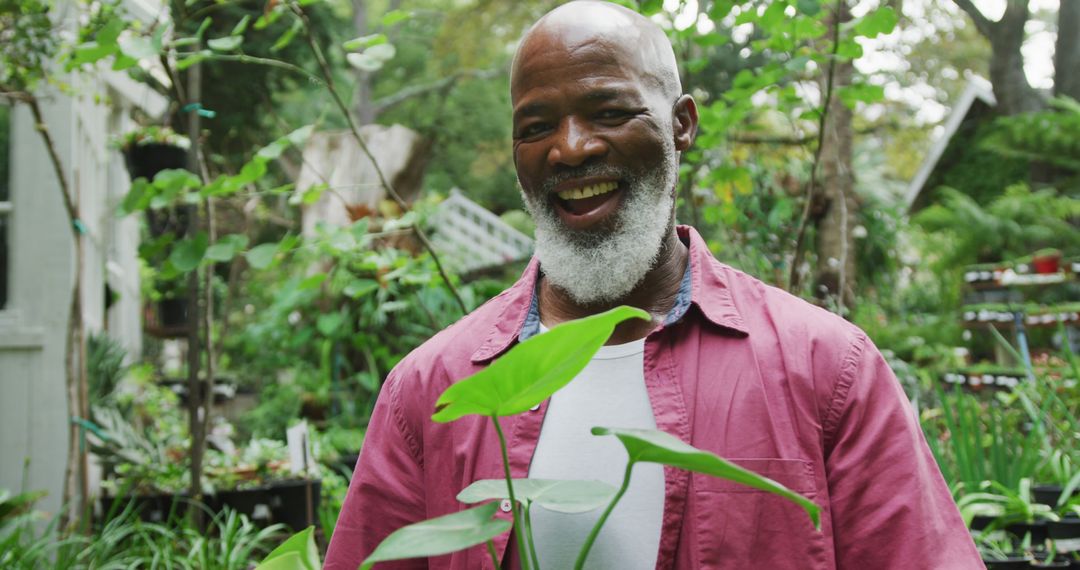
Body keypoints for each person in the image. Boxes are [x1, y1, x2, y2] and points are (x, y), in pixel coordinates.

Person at [324, 2, 982, 568]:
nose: (571, 149)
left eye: (608, 112)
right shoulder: (428, 391)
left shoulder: (826, 369)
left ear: (682, 124)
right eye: (536, 126)